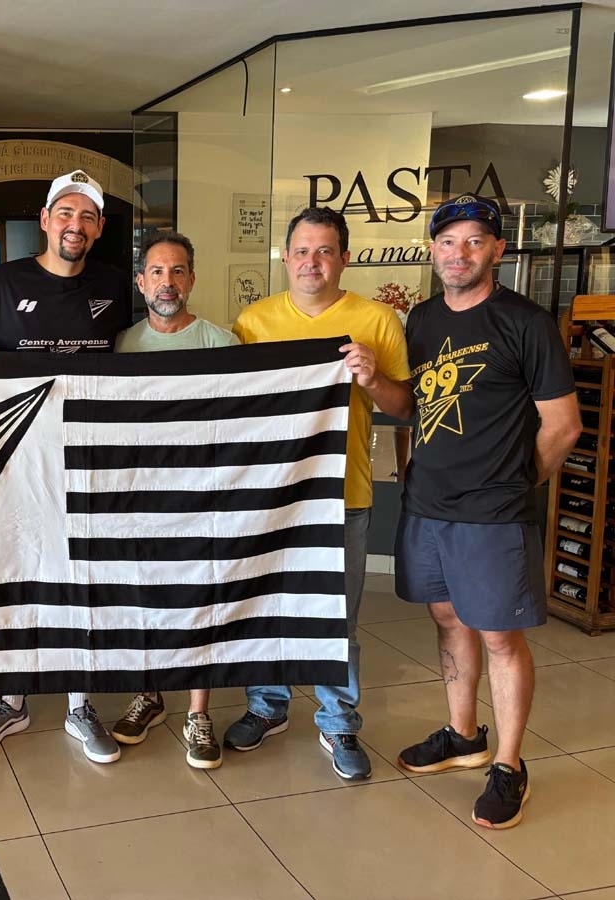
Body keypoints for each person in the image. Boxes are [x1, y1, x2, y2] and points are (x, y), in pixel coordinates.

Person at [395, 194, 580, 829]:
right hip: (427, 506)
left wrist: (517, 483)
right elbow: (414, 405)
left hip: (494, 513)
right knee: (448, 621)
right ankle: (463, 734)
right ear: (433, 250)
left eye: (474, 241)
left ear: (498, 250)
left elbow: (564, 425)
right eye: (448, 242)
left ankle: (508, 764)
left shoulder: (527, 322)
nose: (459, 253)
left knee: (499, 635)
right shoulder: (421, 320)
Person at [223, 207, 414, 781]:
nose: (312, 262)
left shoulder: (377, 320)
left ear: (344, 258)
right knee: (268, 606)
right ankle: (267, 705)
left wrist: (372, 377)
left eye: (325, 251)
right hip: (271, 495)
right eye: (303, 251)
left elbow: (405, 407)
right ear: (286, 257)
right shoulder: (252, 321)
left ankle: (338, 721)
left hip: (343, 492)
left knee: (336, 617)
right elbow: (235, 405)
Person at [0, 169, 132, 764]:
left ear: (99, 228)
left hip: (89, 457)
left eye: (86, 216)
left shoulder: (114, 285)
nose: (74, 225)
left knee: (85, 580)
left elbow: (133, 365)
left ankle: (81, 705)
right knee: (19, 574)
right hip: (16, 459)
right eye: (65, 213)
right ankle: (13, 698)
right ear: (45, 220)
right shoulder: (4, 281)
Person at [108, 232, 237, 770]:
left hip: (202, 495)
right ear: (141, 283)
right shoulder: (122, 344)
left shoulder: (221, 342)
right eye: (157, 272)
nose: (168, 282)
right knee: (146, 599)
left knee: (200, 601)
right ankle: (150, 692)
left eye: (178, 271)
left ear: (192, 280)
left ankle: (198, 713)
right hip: (141, 496)